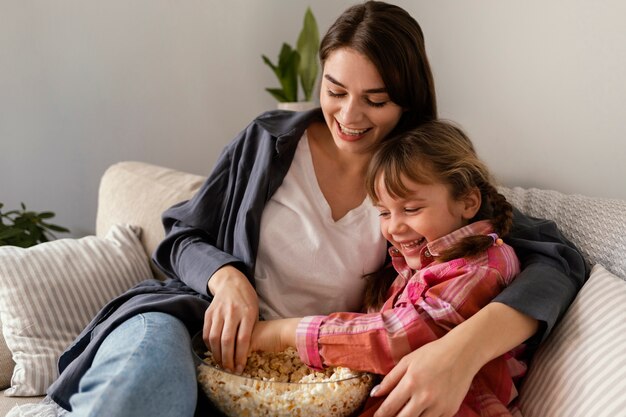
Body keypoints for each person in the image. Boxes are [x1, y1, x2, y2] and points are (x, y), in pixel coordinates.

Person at [41, 2, 587, 417]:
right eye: (334, 89)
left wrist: (461, 352)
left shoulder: (427, 180)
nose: (349, 116)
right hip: (194, 330)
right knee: (146, 377)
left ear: (408, 100)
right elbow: (181, 234)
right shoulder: (265, 142)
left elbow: (557, 260)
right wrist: (226, 277)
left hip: (311, 383)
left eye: (375, 100)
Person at [249, 120, 528, 416]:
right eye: (383, 212)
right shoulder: (411, 267)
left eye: (411, 209)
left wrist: (288, 333)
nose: (394, 227)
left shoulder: (484, 266)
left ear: (468, 202)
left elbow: (396, 337)